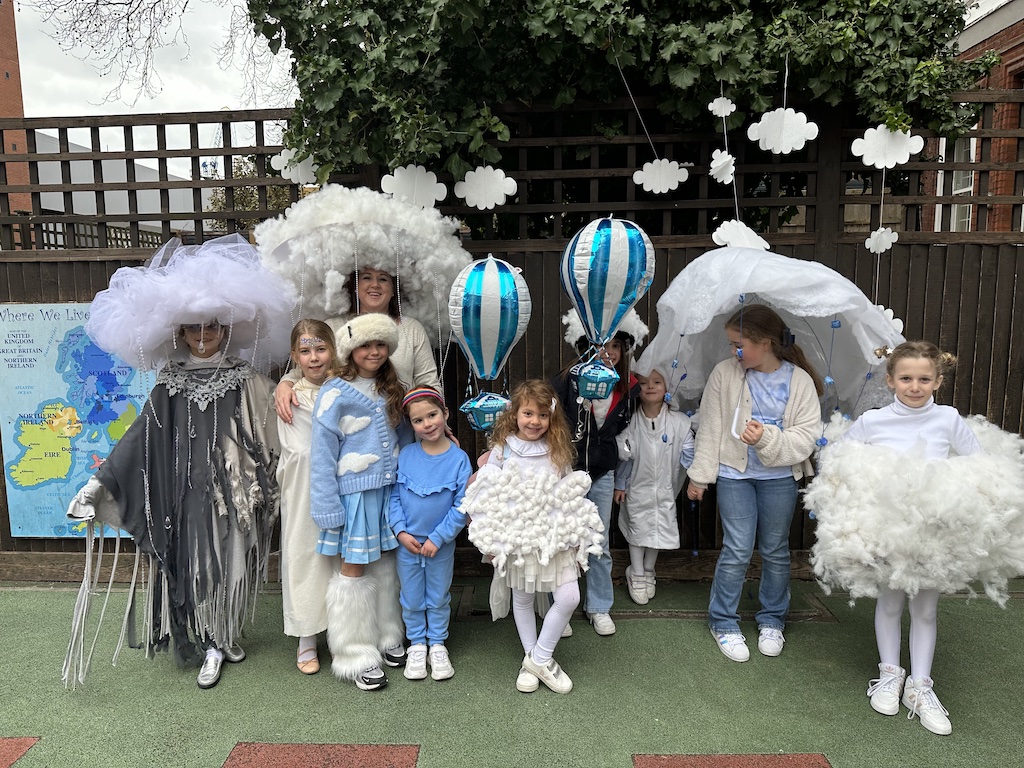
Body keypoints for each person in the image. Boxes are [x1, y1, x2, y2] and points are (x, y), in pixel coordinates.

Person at [63, 235, 292, 690]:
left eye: (211, 327)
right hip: (186, 496)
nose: (203, 336)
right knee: (199, 565)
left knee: (236, 563)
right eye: (193, 329)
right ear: (179, 334)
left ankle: (224, 633)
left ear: (225, 330)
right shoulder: (170, 383)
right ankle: (210, 642)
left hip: (235, 495)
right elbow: (138, 439)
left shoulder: (245, 379)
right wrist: (95, 487)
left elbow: (282, 422)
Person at [837, 341, 982, 736]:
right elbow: (842, 462)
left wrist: (947, 495)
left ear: (937, 381)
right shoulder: (873, 422)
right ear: (890, 380)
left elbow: (977, 465)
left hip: (932, 533)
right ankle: (890, 674)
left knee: (925, 610)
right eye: (905, 378)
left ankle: (920, 687)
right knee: (889, 602)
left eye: (923, 379)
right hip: (889, 530)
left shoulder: (948, 419)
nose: (914, 386)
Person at [686, 304, 822, 663]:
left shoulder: (799, 381)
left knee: (776, 549)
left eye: (739, 345)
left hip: (780, 478)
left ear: (765, 343)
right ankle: (723, 622)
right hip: (734, 475)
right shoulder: (724, 374)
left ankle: (772, 620)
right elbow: (710, 428)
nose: (734, 352)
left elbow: (805, 439)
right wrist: (700, 476)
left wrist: (765, 438)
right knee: (737, 548)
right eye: (732, 345)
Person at [463, 380, 604, 694]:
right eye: (528, 413)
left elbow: (567, 492)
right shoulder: (503, 448)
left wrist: (574, 532)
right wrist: (491, 537)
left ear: (551, 417)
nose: (535, 421)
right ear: (515, 413)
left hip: (554, 537)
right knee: (523, 598)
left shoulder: (557, 448)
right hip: (519, 537)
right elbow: (487, 491)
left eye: (542, 415)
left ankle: (539, 659)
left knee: (569, 597)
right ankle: (531, 656)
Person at [309, 312, 408, 691]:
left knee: (386, 563)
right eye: (366, 345)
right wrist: (326, 504)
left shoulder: (393, 388)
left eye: (381, 344)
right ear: (351, 350)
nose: (374, 351)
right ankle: (354, 653)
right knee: (353, 568)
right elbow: (322, 454)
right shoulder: (334, 392)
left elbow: (407, 440)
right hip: (355, 496)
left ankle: (387, 634)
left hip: (389, 491)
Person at [552, 309, 646, 636]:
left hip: (604, 474)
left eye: (615, 346)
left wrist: (620, 476)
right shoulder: (565, 381)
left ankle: (599, 606)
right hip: (566, 473)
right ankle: (560, 607)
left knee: (599, 542)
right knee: (563, 540)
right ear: (585, 347)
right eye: (600, 345)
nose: (608, 353)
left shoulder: (628, 387)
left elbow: (625, 436)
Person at [275, 266, 440, 424]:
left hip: (403, 426)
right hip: (346, 431)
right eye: (367, 278)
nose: (375, 284)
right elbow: (306, 367)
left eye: (383, 279)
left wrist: (435, 417)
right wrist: (285, 384)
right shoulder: (333, 327)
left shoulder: (412, 329)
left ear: (393, 290)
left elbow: (428, 382)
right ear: (355, 286)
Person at [388, 386, 472, 681]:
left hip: (440, 545)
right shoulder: (406, 455)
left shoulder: (459, 459)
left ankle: (437, 644)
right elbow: (393, 497)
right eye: (418, 420)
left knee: (437, 595)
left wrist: (439, 537)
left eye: (432, 415)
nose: (427, 424)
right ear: (410, 425)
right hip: (408, 544)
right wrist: (400, 532)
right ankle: (416, 644)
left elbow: (462, 505)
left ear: (445, 414)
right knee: (411, 596)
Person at [276, 319, 339, 675]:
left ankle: (345, 632)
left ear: (332, 350)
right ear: (294, 356)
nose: (314, 358)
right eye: (305, 351)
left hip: (342, 486)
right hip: (302, 489)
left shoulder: (345, 389)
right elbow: (298, 450)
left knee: (343, 558)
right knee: (305, 554)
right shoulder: (291, 396)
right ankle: (307, 636)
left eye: (320, 349)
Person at [613, 367, 695, 604]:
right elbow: (626, 457)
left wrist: (695, 477)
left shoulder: (679, 423)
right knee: (638, 526)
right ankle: (637, 572)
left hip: (665, 487)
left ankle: (649, 569)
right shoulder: (630, 421)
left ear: (667, 386)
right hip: (636, 486)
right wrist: (620, 484)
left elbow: (689, 452)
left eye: (657, 382)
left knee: (659, 526)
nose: (650, 386)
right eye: (644, 382)